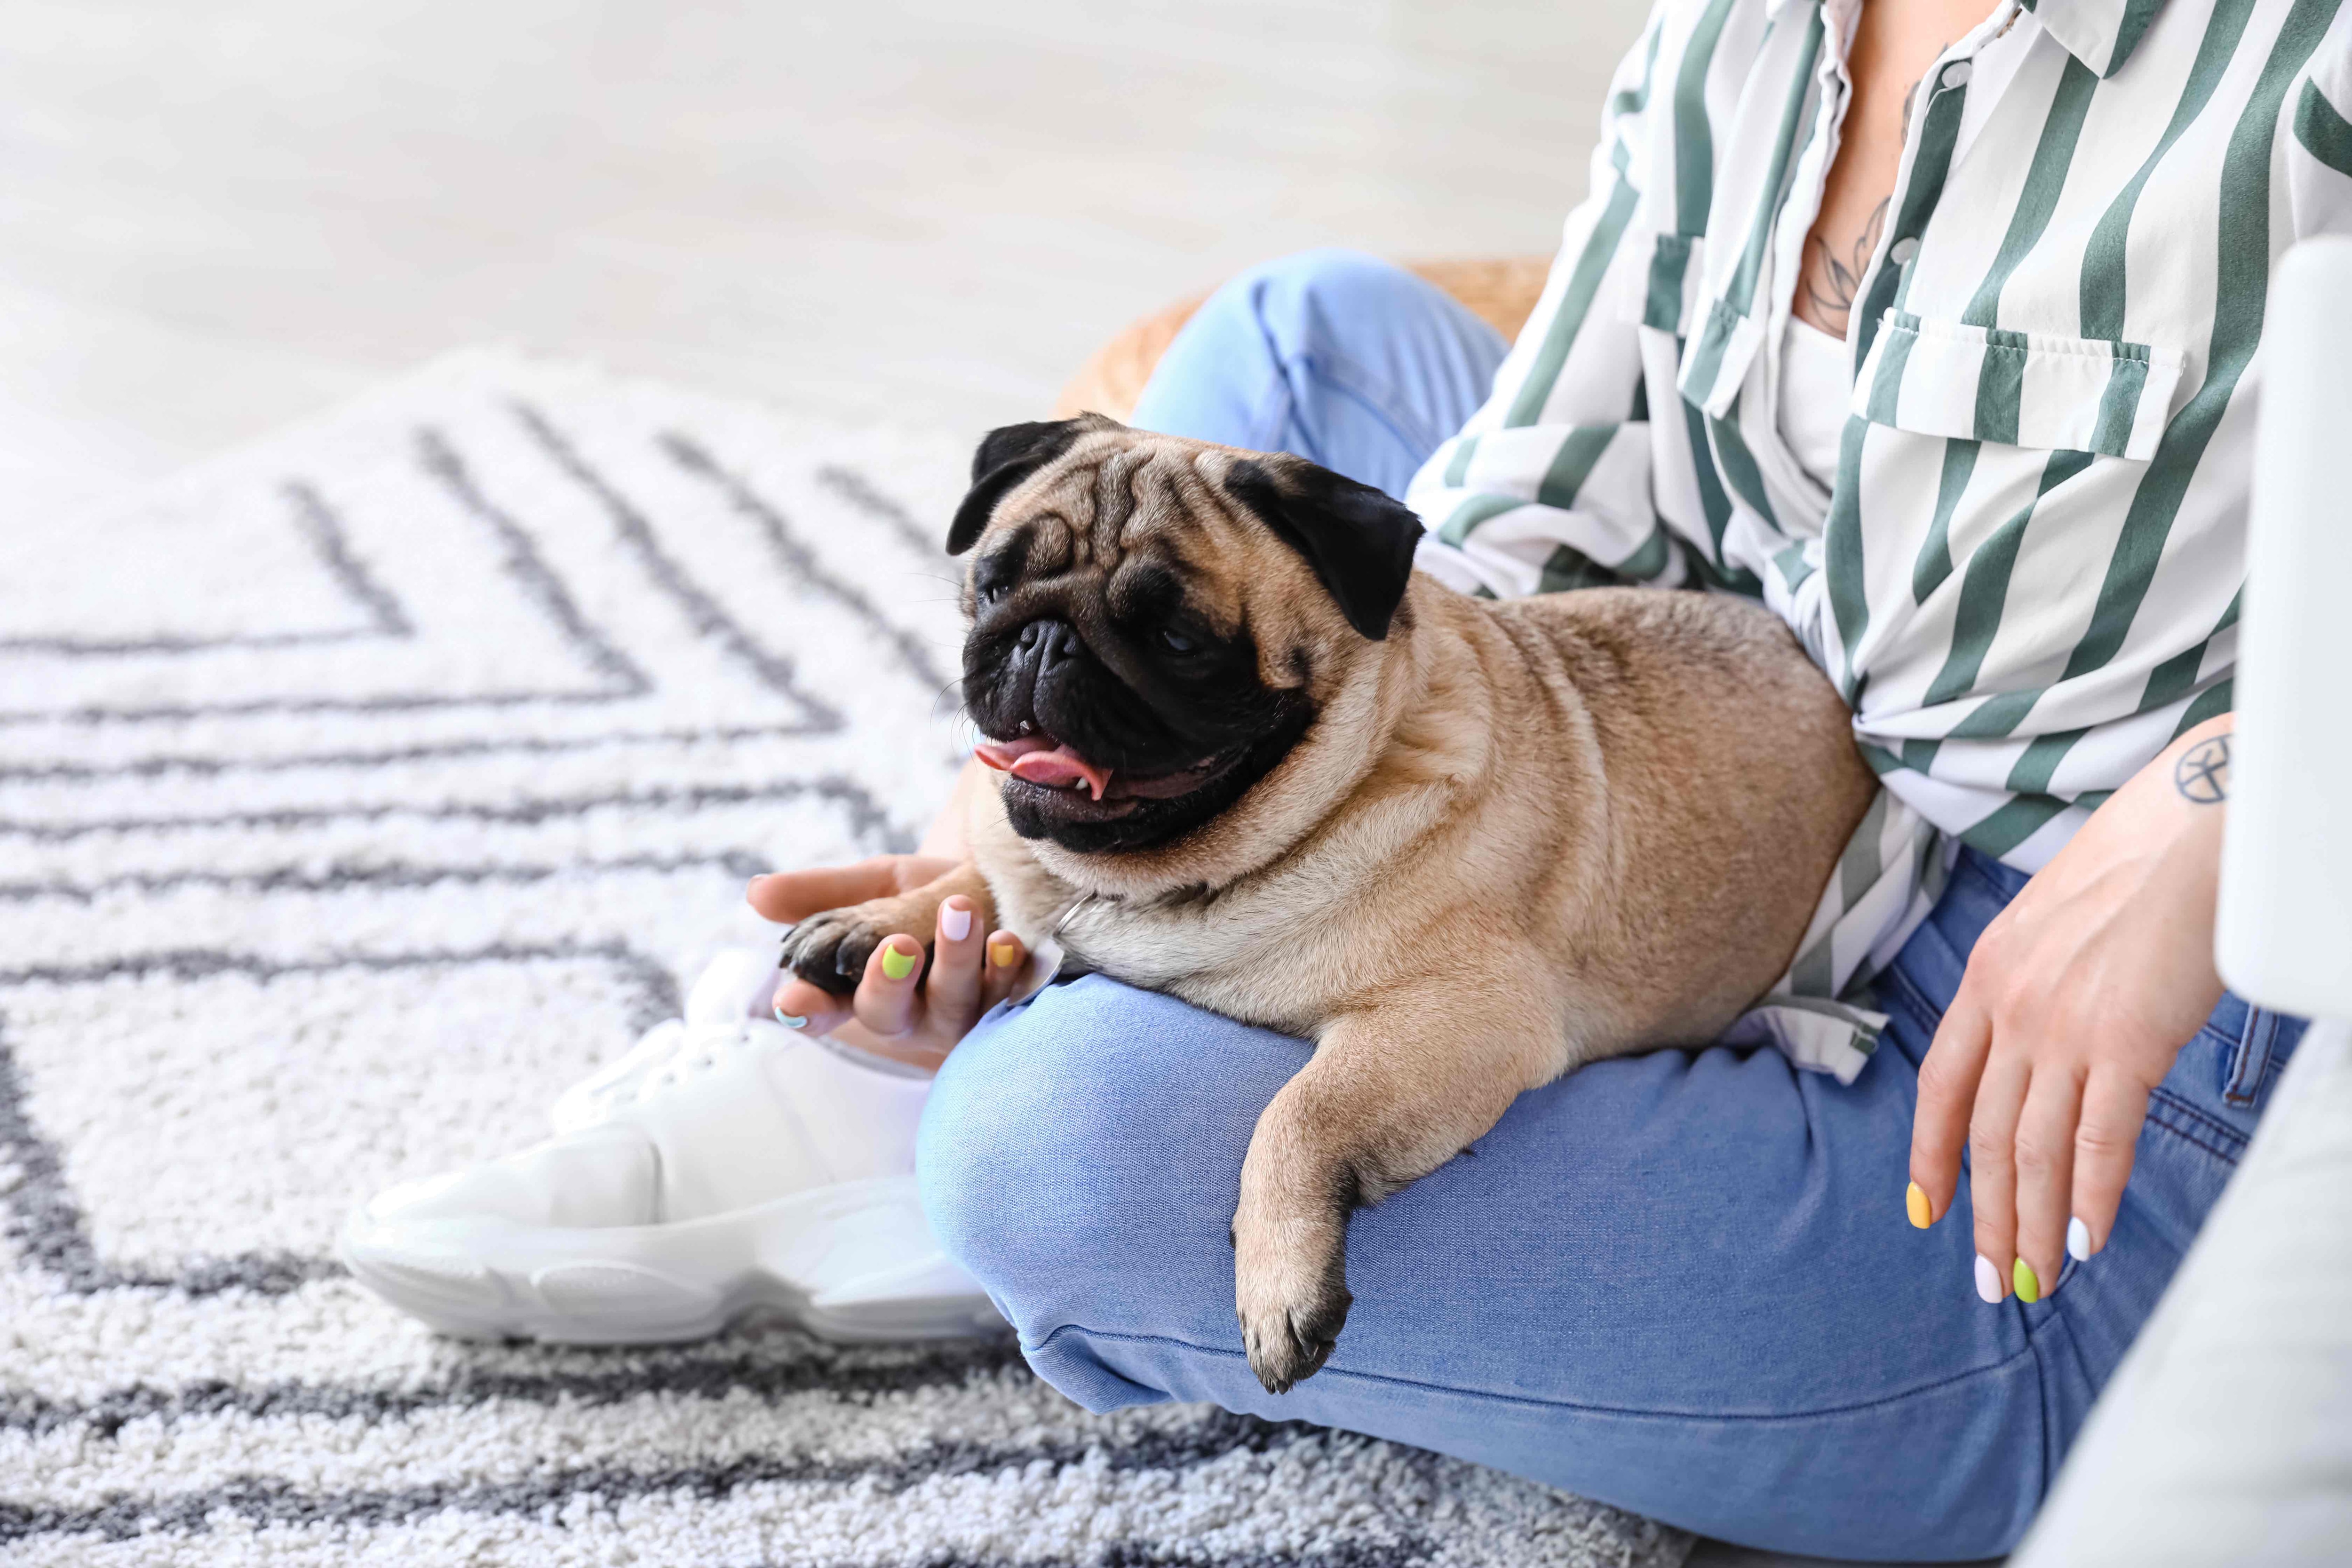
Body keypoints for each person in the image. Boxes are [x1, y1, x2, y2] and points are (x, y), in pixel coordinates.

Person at [351, 0, 2351, 1554]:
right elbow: (1553, 488)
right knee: (1298, 348)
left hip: (2049, 1042)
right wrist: (1046, 819)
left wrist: (2242, 784)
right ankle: (964, 986)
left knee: (1046, 1154)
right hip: (1738, 700)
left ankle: (1032, 1128)